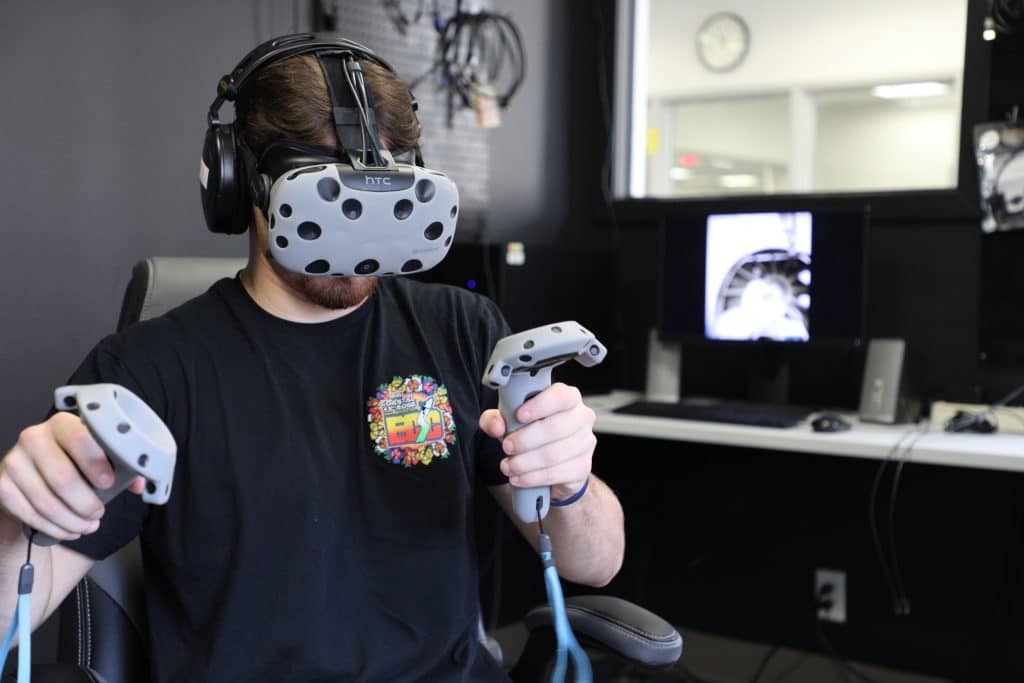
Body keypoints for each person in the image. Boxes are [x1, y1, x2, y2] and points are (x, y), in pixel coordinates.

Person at [0, 38, 624, 681]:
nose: (357, 238)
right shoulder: (147, 372)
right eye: (328, 197)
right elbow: (21, 595)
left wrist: (570, 481)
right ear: (237, 182)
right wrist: (17, 516)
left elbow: (594, 563)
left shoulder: (465, 332)